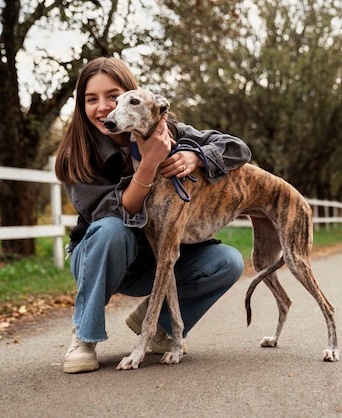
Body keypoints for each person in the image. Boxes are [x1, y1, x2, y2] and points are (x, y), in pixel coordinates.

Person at [54, 56, 251, 374]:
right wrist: (148, 165)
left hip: (153, 261)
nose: (105, 106)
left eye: (114, 96)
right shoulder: (76, 155)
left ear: (134, 96)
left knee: (227, 261)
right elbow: (114, 213)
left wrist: (195, 156)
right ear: (81, 105)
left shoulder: (171, 129)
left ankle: (158, 324)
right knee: (111, 230)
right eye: (92, 99)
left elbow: (238, 149)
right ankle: (84, 336)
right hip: (101, 258)